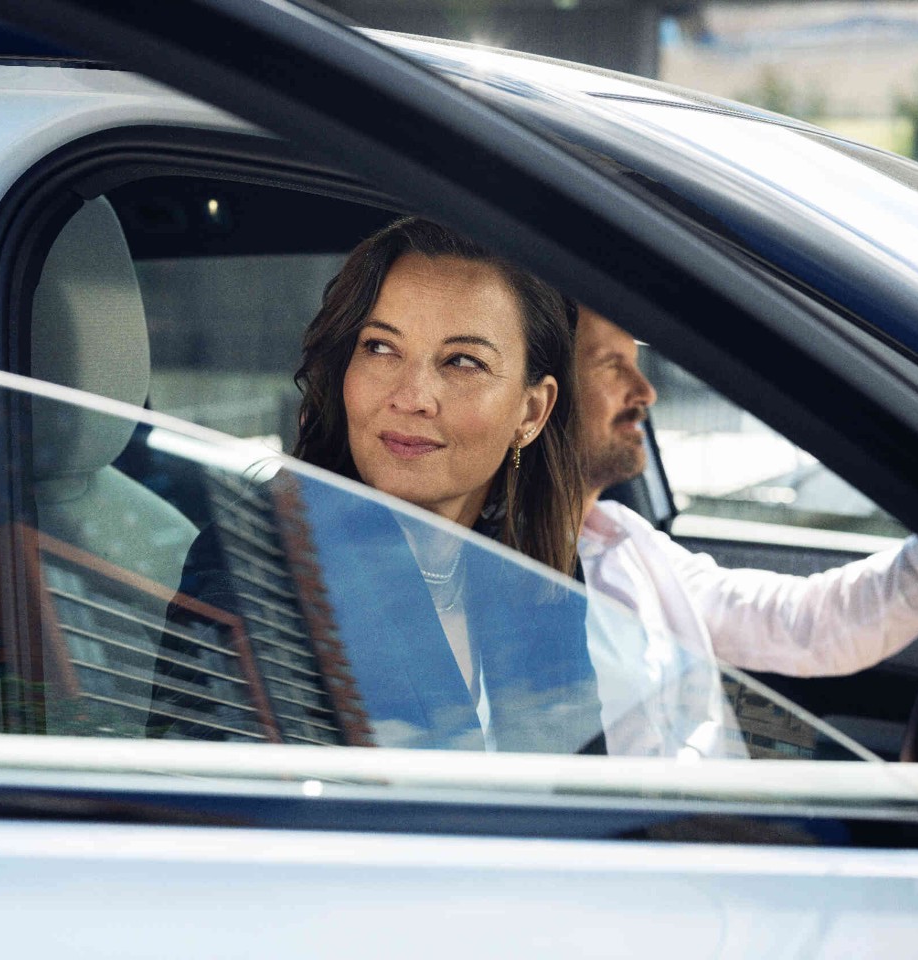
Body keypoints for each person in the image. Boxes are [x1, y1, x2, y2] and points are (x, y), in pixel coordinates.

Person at [151, 218, 602, 753]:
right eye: (381, 348)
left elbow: (586, 788)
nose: (411, 395)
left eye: (462, 361)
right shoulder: (258, 566)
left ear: (531, 411)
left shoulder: (535, 568)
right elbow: (213, 817)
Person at [574, 307, 918, 758]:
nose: (646, 391)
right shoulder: (505, 574)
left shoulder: (625, 538)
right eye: (611, 366)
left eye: (636, 364)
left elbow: (805, 624)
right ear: (538, 399)